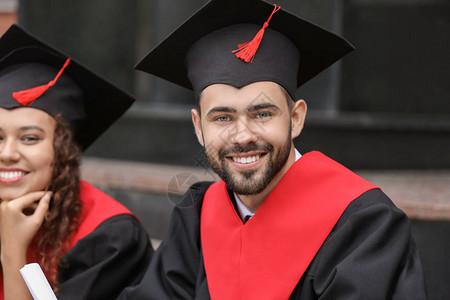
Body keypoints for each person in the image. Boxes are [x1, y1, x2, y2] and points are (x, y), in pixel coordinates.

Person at [121, 0, 427, 299]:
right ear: (199, 127)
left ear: (295, 119)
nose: (242, 136)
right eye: (223, 117)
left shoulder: (364, 225)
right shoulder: (196, 217)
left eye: (262, 114)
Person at [0, 24, 153, 300]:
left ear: (62, 151)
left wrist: (12, 251)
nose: (7, 153)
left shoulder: (109, 239)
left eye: (30, 138)